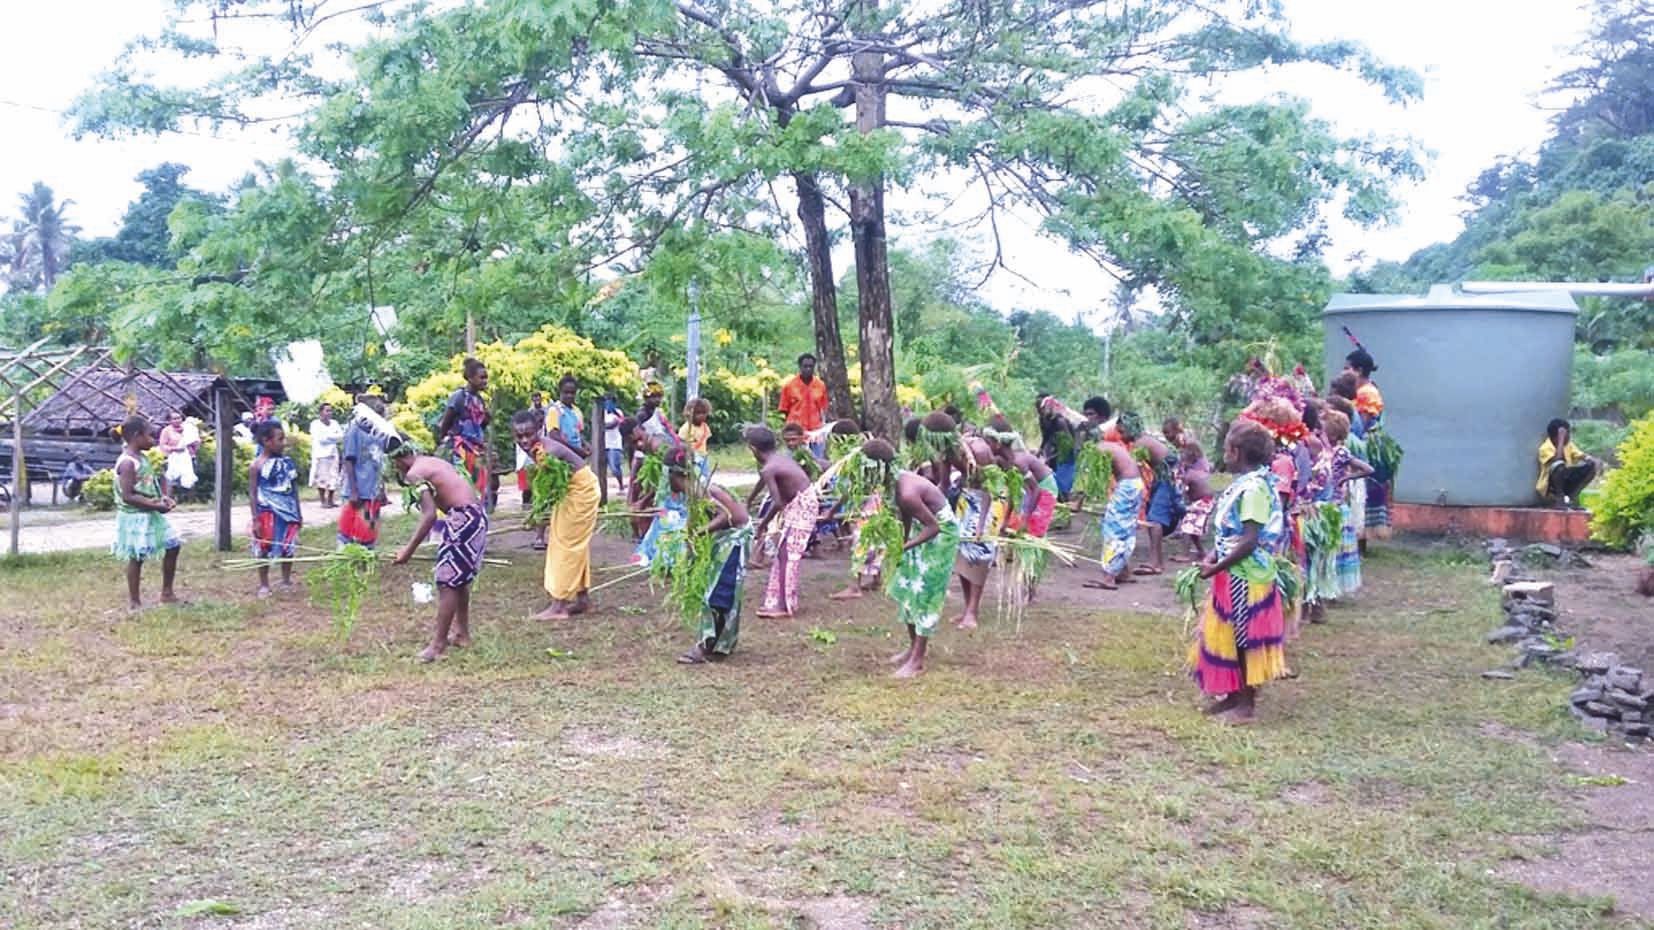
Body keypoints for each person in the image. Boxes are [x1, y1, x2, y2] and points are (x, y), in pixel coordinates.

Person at [1189, 418, 1289, 725]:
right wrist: (1212, 556)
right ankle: (1232, 696)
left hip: (1248, 576)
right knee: (1229, 634)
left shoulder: (1256, 489)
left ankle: (1246, 705)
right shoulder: (1245, 484)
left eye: (1226, 449)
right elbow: (1230, 534)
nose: (1224, 454)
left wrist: (1216, 566)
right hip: (1232, 572)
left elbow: (1249, 541)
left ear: (1235, 451)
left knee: (1244, 638)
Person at [389, 436, 489, 662]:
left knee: (447, 582)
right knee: (459, 580)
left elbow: (429, 515)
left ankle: (438, 645)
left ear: (397, 461)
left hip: (463, 519)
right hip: (475, 516)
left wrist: (408, 551)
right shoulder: (430, 461)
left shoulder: (415, 473)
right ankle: (462, 633)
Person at [873, 439, 962, 679]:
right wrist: (900, 545)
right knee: (907, 586)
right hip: (922, 531)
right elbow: (907, 516)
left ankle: (918, 661)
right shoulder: (894, 483)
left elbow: (933, 527)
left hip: (942, 534)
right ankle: (912, 648)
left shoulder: (907, 491)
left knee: (926, 593)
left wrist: (904, 546)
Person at [514, 411, 602, 621]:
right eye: (519, 436)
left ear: (538, 430)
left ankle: (559, 606)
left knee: (565, 545)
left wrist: (534, 516)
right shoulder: (533, 449)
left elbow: (548, 491)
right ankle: (583, 600)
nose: (524, 440)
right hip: (571, 492)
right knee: (572, 544)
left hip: (581, 492)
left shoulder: (549, 451)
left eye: (528, 434)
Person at [669, 447, 754, 665]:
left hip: (735, 538)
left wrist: (700, 532)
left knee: (717, 593)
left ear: (677, 474)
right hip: (723, 539)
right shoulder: (693, 492)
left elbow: (728, 516)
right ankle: (719, 643)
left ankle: (705, 645)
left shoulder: (703, 489)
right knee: (717, 591)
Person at [112, 415, 182, 612]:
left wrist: (163, 499)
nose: (153, 440)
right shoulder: (127, 463)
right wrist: (155, 506)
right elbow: (128, 495)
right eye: (150, 436)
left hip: (151, 511)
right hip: (135, 516)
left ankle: (167, 593)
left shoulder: (142, 458)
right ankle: (134, 602)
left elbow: (149, 484)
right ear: (136, 436)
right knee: (136, 556)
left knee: (173, 545)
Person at [749, 425, 818, 619]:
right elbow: (772, 487)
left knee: (788, 554)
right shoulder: (778, 460)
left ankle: (783, 605)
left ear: (753, 449)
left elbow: (777, 501)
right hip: (801, 502)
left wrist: (763, 525)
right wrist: (751, 500)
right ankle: (779, 601)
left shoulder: (770, 467)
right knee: (783, 553)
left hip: (802, 505)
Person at [952, 435, 1003, 631]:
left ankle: (972, 612)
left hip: (982, 509)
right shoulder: (959, 450)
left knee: (977, 561)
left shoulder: (980, 451)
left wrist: (981, 524)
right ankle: (967, 609)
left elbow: (989, 492)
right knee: (963, 561)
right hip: (965, 506)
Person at [1083, 429, 1144, 590]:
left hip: (1127, 488)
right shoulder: (1111, 446)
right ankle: (1123, 572)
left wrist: (1080, 501)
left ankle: (1109, 578)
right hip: (1135, 485)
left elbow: (1095, 480)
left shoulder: (1099, 449)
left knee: (1114, 529)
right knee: (1126, 528)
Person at [249, 420, 303, 599]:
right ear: (267, 441)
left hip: (288, 512)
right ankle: (264, 584)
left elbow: (294, 489)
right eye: (280, 439)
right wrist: (256, 518)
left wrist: (298, 513)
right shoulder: (256, 465)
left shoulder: (287, 463)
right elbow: (253, 493)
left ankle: (286, 579)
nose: (284, 443)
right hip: (266, 512)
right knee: (264, 547)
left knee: (288, 546)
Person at [1131, 414, 1181, 577]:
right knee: (1153, 517)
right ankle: (1156, 561)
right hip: (1163, 476)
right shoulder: (1143, 441)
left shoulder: (1140, 443)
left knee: (1155, 519)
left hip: (1167, 477)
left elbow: (1136, 470)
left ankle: (1156, 563)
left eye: (1121, 429)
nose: (1119, 432)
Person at [436, 357, 492, 500]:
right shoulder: (459, 397)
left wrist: (487, 418)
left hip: (476, 448)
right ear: (471, 378)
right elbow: (446, 420)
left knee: (478, 485)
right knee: (461, 484)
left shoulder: (479, 400)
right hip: (460, 449)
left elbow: (480, 425)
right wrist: (442, 441)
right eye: (482, 378)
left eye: (486, 378)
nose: (485, 381)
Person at [339, 395, 388, 549]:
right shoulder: (354, 430)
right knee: (352, 529)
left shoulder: (380, 432)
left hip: (373, 493)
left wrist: (382, 490)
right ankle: (347, 557)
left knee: (369, 529)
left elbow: (380, 463)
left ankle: (367, 557)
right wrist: (354, 491)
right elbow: (348, 460)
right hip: (359, 492)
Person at [1537, 418, 1600, 508]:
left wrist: (1592, 460)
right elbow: (1558, 460)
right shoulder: (1545, 448)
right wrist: (1561, 439)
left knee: (1590, 466)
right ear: (1557, 436)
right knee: (1559, 465)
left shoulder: (1568, 445)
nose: (1569, 436)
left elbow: (1582, 455)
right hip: (1551, 486)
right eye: (1568, 434)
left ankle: (1573, 497)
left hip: (1566, 479)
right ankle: (1559, 498)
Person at [779, 353, 831, 458]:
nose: (808, 369)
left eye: (811, 366)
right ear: (800, 367)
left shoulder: (820, 385)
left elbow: (823, 408)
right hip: (795, 432)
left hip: (815, 432)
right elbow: (784, 409)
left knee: (817, 461)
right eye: (805, 366)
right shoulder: (789, 386)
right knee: (795, 461)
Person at [1037, 394, 1078, 499]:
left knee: (1063, 481)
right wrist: (1041, 450)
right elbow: (1046, 437)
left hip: (1066, 453)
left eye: (1042, 408)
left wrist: (1051, 456)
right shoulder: (1043, 419)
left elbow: (1067, 444)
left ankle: (1064, 496)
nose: (1040, 411)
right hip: (1055, 450)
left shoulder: (1060, 421)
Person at [307, 403, 345, 508]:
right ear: (321, 412)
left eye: (330, 410)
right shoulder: (315, 424)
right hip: (321, 454)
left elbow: (341, 436)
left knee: (333, 477)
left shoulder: (335, 423)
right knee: (322, 478)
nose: (329, 413)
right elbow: (321, 439)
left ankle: (331, 500)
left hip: (333, 453)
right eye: (327, 410)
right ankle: (323, 500)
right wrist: (333, 437)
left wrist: (329, 437)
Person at [158, 410, 200, 494]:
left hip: (189, 458)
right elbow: (163, 445)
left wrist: (194, 444)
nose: (177, 420)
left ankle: (191, 501)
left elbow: (197, 441)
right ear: (169, 421)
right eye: (174, 419)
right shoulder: (166, 431)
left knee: (190, 478)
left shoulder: (188, 429)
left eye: (179, 418)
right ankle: (170, 499)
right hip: (174, 459)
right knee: (172, 481)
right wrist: (175, 449)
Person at [548, 374, 588, 456]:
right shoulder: (554, 410)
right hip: (560, 457)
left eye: (572, 393)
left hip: (577, 456)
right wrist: (575, 450)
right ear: (560, 391)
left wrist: (586, 445)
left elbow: (579, 434)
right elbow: (554, 436)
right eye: (566, 392)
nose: (569, 396)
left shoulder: (577, 411)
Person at [678, 397, 712, 478]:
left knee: (705, 477)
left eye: (704, 413)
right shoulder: (686, 428)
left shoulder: (705, 427)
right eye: (698, 413)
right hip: (692, 458)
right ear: (690, 413)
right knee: (695, 477)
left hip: (703, 457)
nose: (701, 416)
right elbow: (680, 442)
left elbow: (705, 441)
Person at [602, 393, 627, 493]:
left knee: (614, 467)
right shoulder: (602, 413)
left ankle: (621, 485)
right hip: (604, 443)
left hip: (614, 444)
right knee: (602, 468)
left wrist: (602, 426)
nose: (607, 403)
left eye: (610, 401)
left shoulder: (618, 413)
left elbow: (614, 424)